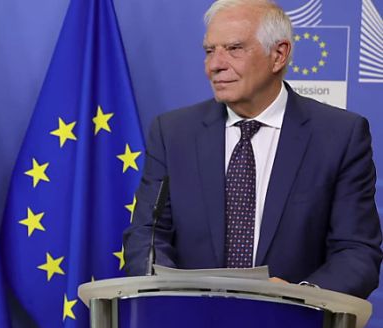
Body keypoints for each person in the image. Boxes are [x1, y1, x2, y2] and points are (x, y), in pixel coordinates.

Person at [123, 0, 382, 298]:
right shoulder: (173, 133)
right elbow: (147, 234)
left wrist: (303, 297)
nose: (215, 65)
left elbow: (356, 251)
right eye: (210, 51)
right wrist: (169, 291)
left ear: (278, 55)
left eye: (234, 48)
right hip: (189, 325)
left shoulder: (338, 136)